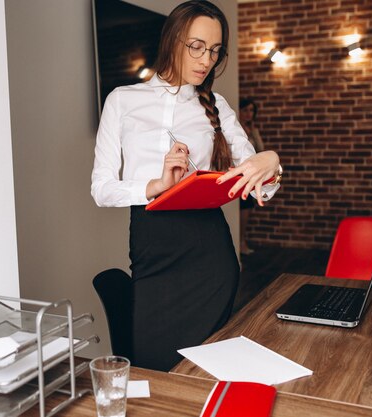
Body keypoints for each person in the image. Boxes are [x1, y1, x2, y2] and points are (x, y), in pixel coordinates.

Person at [91, 0, 282, 371]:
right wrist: (157, 185)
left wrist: (271, 162)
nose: (206, 59)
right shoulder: (122, 100)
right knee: (154, 366)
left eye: (214, 50)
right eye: (196, 46)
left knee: (204, 369)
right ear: (173, 40)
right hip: (152, 250)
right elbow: (101, 188)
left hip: (210, 257)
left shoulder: (217, 105)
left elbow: (260, 187)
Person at [238, 97, 265, 255]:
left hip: (251, 175)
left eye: (251, 111)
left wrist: (254, 132)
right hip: (241, 174)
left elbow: (260, 150)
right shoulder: (236, 129)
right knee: (244, 209)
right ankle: (240, 242)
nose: (249, 114)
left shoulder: (251, 130)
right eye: (246, 110)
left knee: (247, 209)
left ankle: (242, 241)